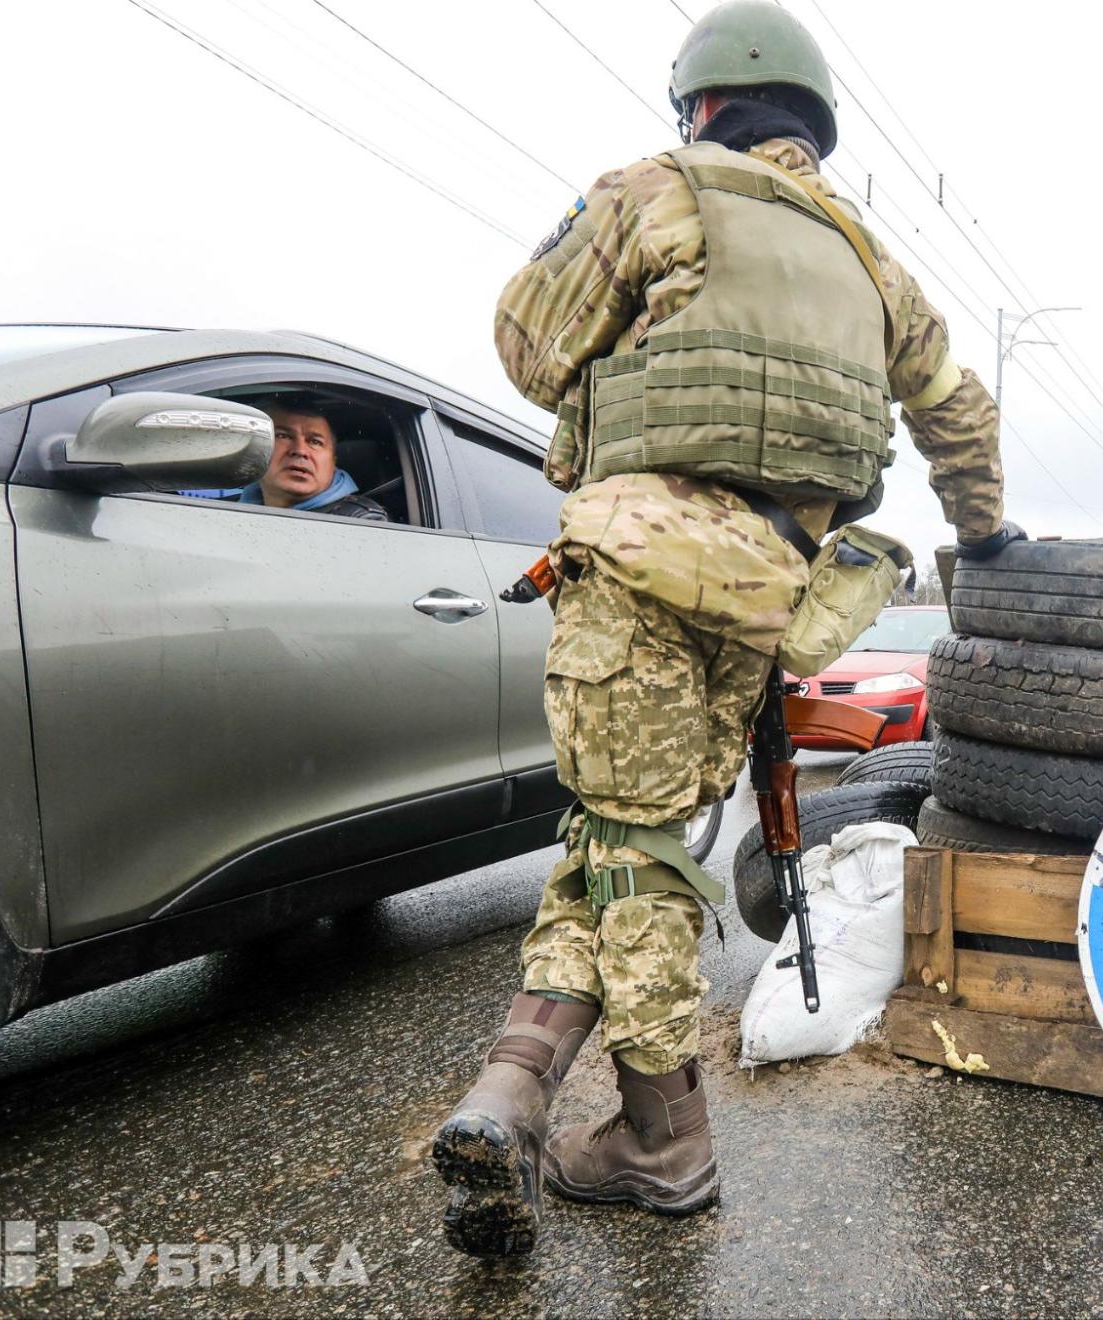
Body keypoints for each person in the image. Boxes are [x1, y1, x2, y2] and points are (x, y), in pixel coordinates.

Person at [429, 0, 1023, 1259]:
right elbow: (958, 415)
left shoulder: (652, 187)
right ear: (813, 126)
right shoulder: (874, 262)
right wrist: (987, 536)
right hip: (774, 594)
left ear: (699, 108)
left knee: (632, 849)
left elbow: (529, 348)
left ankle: (662, 1142)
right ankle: (515, 1089)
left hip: (639, 567)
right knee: (626, 836)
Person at [209, 395, 387, 520]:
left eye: (315, 441)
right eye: (283, 436)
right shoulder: (226, 510)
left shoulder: (362, 521)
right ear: (254, 450)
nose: (300, 450)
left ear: (333, 461)